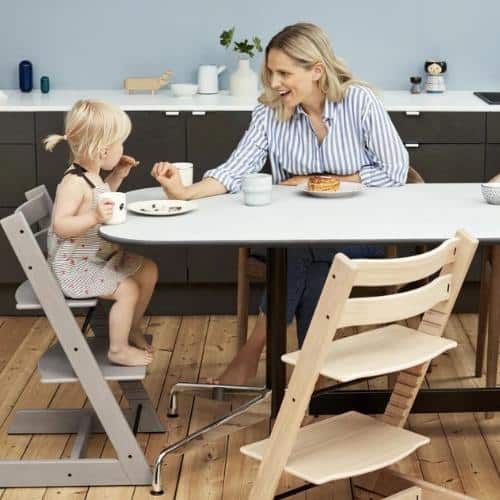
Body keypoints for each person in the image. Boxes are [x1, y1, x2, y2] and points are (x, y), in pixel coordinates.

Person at [151, 23, 409, 384]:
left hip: (357, 234)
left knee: (303, 254)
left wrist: (312, 182)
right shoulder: (270, 112)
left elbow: (395, 171)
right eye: (270, 72)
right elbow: (236, 170)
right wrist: (185, 192)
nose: (274, 83)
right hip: (294, 237)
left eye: (284, 73)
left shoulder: (358, 102)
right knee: (308, 255)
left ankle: (252, 355)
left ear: (317, 70)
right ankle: (313, 376)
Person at [45, 99, 158, 366]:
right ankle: (117, 349)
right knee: (128, 289)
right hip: (73, 269)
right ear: (101, 149)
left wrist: (117, 176)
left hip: (95, 260)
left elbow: (99, 195)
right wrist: (94, 217)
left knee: (148, 269)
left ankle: (131, 327)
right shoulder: (73, 182)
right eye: (119, 143)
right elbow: (61, 225)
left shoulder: (91, 176)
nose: (122, 148)